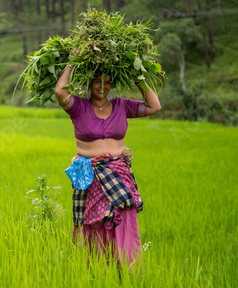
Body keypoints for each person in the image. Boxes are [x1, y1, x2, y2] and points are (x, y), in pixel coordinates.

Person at [54, 64, 161, 270]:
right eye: (97, 81)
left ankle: (126, 270)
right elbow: (60, 91)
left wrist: (139, 79)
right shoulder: (79, 107)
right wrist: (72, 64)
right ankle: (96, 270)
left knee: (122, 220)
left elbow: (154, 106)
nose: (102, 86)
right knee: (94, 224)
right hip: (90, 177)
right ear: (89, 83)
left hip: (119, 175)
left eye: (107, 82)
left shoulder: (122, 105)